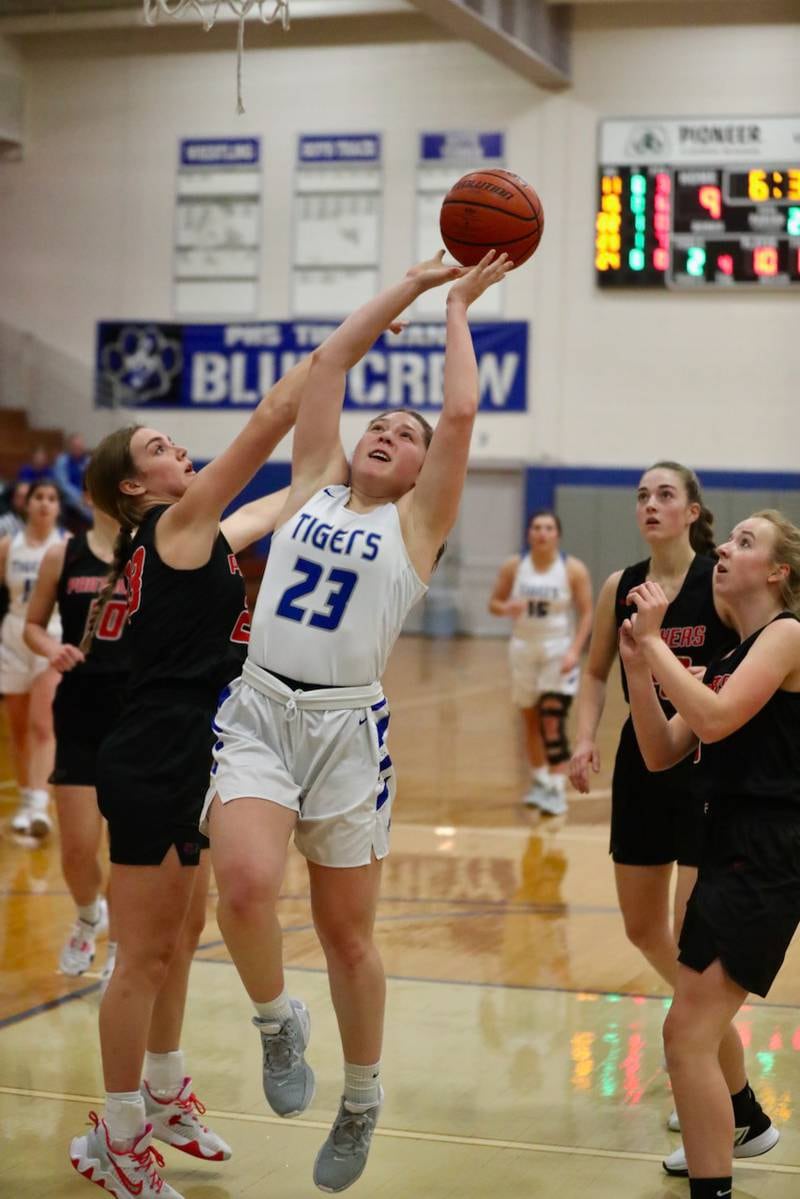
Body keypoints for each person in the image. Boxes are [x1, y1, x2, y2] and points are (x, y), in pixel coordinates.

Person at [67, 315, 408, 1199]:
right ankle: (117, 1131)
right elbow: (268, 419)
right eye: (159, 445)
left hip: (202, 742)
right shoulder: (179, 523)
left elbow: (296, 490)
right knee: (140, 955)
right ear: (135, 486)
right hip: (158, 750)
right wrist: (345, 345)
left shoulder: (202, 535)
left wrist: (340, 410)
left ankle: (165, 1086)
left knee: (178, 940)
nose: (178, 447)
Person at [203, 248, 512, 1193]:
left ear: (423, 470)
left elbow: (459, 410)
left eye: (402, 431)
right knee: (246, 888)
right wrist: (413, 286)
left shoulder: (419, 526)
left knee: (347, 936)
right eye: (377, 424)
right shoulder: (307, 487)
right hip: (259, 705)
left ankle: (363, 1094)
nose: (385, 429)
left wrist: (459, 306)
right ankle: (274, 1021)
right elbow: (331, 364)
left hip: (346, 731)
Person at [619, 509, 799, 1198]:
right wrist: (640, 666)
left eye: (745, 543)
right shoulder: (732, 655)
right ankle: (726, 1156)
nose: (725, 546)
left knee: (689, 1036)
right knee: (684, 1034)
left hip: (766, 851)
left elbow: (716, 719)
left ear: (778, 571)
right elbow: (662, 749)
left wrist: (655, 641)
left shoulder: (786, 637)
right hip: (724, 845)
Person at [24, 486, 126, 980]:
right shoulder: (64, 554)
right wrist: (51, 649)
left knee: (129, 848)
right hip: (81, 709)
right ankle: (89, 916)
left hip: (139, 714)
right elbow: (33, 626)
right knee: (79, 848)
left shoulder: (154, 549)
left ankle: (121, 948)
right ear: (88, 494)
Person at [489, 509, 592, 813]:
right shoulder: (514, 566)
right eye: (536, 527)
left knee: (552, 717)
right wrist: (506, 608)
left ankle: (557, 788)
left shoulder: (572, 569)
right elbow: (493, 603)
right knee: (530, 719)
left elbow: (587, 612)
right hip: (523, 647)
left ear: (557, 534)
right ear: (529, 534)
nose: (542, 533)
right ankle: (540, 782)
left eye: (548, 528)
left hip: (557, 648)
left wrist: (574, 650)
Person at [0, 479, 65, 837]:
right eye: (39, 497)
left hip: (51, 635)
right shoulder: (10, 546)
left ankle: (40, 804)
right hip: (13, 634)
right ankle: (26, 800)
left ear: (58, 507)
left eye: (52, 498)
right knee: (18, 727)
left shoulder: (65, 546)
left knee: (43, 724)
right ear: (27, 504)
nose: (44, 503)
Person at [53, 433, 93, 526]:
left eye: (80, 445)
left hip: (87, 496)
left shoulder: (88, 460)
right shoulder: (62, 461)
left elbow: (94, 481)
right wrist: (80, 497)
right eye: (75, 446)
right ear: (70, 447)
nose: (79, 448)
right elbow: (63, 485)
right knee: (88, 510)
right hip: (70, 498)